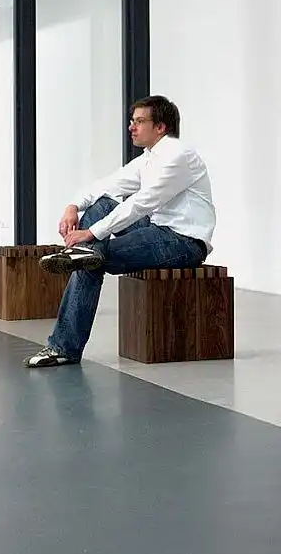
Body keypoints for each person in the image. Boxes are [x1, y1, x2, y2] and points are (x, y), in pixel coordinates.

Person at [25, 95, 215, 368]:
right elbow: (107, 185)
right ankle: (83, 255)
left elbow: (142, 203)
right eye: (132, 121)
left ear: (160, 127)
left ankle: (63, 346)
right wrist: (72, 206)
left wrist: (91, 233)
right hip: (156, 231)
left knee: (91, 259)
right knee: (102, 206)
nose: (131, 127)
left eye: (139, 121)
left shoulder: (178, 155)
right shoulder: (148, 159)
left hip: (182, 242)